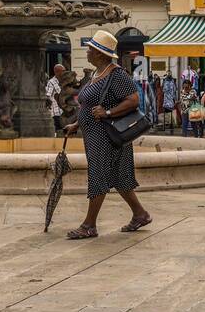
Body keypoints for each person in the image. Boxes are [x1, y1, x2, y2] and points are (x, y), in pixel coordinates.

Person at [64, 29, 151, 239]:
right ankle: (140, 214)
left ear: (100, 54)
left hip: (107, 136)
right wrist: (77, 123)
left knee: (98, 176)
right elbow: (89, 105)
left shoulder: (117, 74)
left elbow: (133, 100)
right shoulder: (96, 75)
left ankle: (89, 225)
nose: (87, 52)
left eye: (90, 49)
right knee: (119, 178)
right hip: (94, 134)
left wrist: (108, 112)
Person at [45, 64, 65, 134]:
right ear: (57, 72)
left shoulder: (63, 81)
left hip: (63, 112)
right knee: (58, 132)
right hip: (56, 113)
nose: (65, 72)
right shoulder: (51, 82)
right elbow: (48, 96)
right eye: (63, 71)